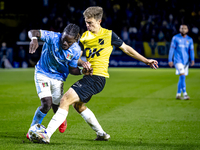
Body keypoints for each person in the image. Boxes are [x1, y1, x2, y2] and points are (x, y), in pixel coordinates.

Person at [30, 6, 158, 144]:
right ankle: (101, 134)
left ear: (99, 21)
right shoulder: (84, 37)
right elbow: (74, 57)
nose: (87, 25)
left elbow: (126, 48)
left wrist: (146, 60)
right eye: (86, 22)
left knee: (65, 99)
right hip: (89, 76)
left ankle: (46, 134)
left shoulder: (109, 35)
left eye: (90, 22)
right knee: (78, 106)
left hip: (98, 77)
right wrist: (83, 63)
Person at [27, 23, 92, 139]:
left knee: (57, 106)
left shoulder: (76, 50)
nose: (65, 43)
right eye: (63, 39)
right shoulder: (53, 37)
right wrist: (34, 39)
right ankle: (32, 129)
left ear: (76, 39)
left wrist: (82, 72)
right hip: (42, 73)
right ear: (61, 35)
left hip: (59, 78)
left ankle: (62, 118)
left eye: (69, 42)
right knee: (47, 103)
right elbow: (33, 31)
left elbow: (72, 69)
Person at [168, 24, 195, 100]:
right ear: (179, 29)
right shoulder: (175, 38)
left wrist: (192, 59)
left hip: (185, 62)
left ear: (187, 30)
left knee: (182, 77)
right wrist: (170, 60)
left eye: (185, 28)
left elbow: (191, 51)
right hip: (178, 60)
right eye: (182, 28)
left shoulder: (189, 39)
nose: (183, 30)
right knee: (182, 76)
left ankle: (178, 94)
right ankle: (185, 94)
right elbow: (171, 50)